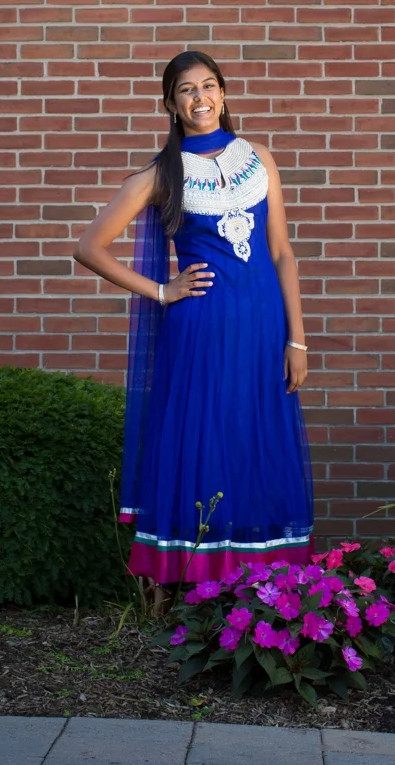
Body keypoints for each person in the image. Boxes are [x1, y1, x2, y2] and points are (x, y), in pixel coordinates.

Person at [73, 50, 315, 605]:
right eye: (186, 89)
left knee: (255, 439)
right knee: (204, 440)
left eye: (209, 86)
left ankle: (258, 585)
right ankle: (190, 585)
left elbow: (281, 252)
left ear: (223, 94)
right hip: (201, 330)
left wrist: (297, 338)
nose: (200, 97)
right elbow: (90, 247)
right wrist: (162, 291)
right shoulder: (160, 175)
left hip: (264, 329)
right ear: (170, 103)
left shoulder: (259, 157)